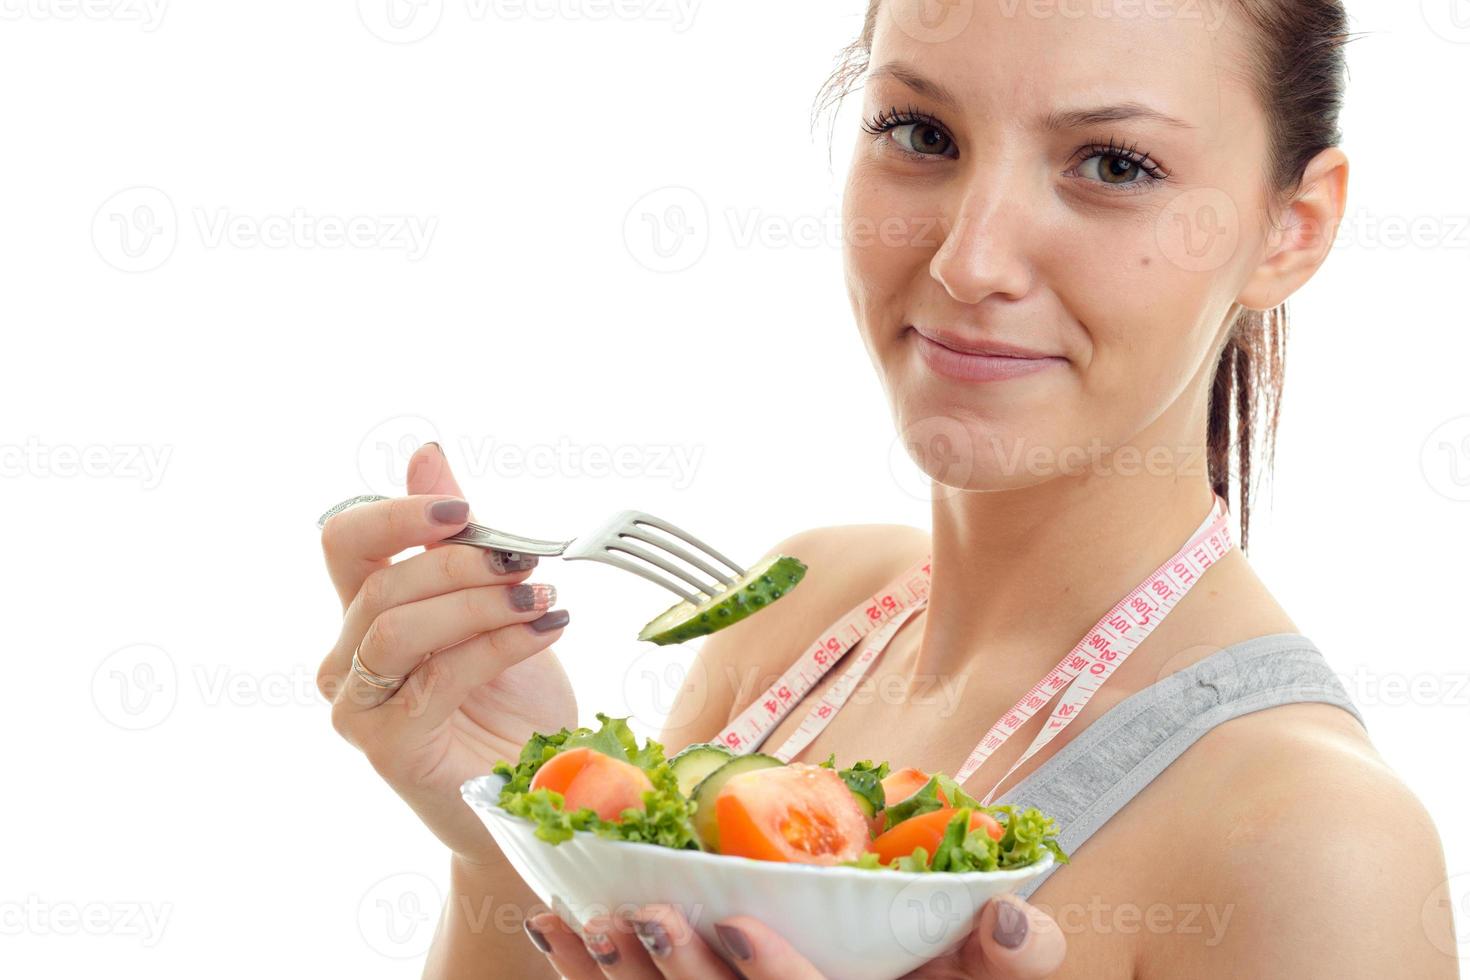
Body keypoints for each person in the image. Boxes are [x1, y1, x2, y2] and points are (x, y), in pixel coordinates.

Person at [317, 1, 1457, 976]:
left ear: (1291, 229)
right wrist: (509, 829)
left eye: (1113, 164)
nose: (969, 260)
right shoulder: (796, 617)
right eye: (921, 131)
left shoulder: (1316, 840)